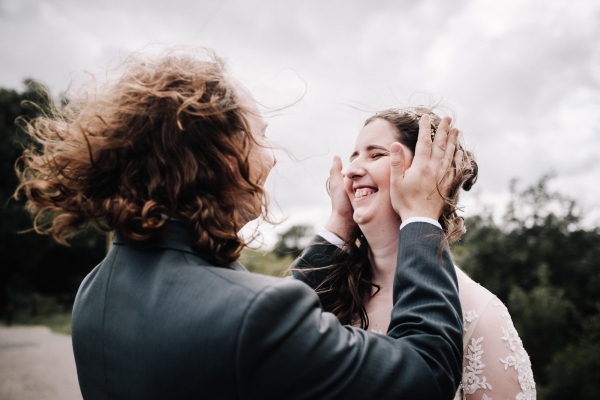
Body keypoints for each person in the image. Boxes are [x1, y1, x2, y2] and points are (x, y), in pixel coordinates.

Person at [16, 49, 464, 399]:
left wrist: (337, 229)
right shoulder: (252, 318)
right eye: (261, 136)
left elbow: (256, 337)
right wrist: (422, 218)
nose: (270, 157)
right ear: (227, 158)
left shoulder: (96, 290)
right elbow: (424, 373)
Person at [293, 108, 537, 400]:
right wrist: (340, 221)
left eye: (376, 155)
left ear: (425, 170)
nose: (351, 170)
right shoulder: (334, 292)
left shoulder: (479, 312)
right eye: (354, 155)